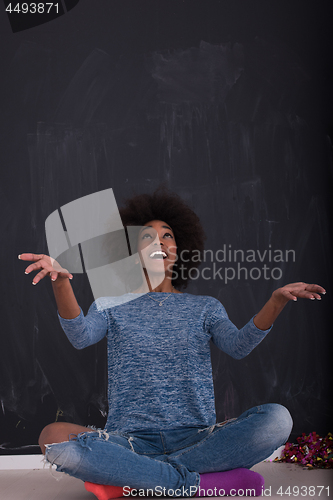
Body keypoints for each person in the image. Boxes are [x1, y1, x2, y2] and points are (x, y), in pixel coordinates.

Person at [19, 189, 325, 499]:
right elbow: (80, 336)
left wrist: (275, 302)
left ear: (179, 250)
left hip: (199, 440)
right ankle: (192, 484)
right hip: (128, 441)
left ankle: (139, 477)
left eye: (167, 236)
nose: (159, 242)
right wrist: (60, 283)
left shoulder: (206, 307)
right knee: (52, 437)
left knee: (277, 420)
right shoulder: (109, 305)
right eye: (147, 237)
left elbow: (238, 345)